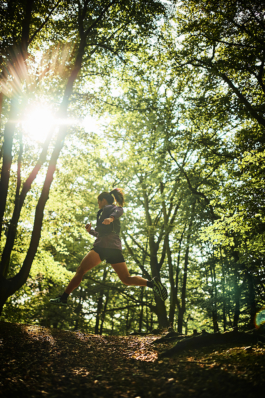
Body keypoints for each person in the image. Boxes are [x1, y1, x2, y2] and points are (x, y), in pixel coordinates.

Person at [50, 188, 168, 306]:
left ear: (104, 200)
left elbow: (119, 210)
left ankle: (64, 298)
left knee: (81, 270)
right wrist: (90, 231)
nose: (98, 204)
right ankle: (152, 283)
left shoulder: (110, 209)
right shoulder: (103, 213)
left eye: (99, 201)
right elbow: (101, 234)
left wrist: (111, 218)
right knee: (126, 279)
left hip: (102, 247)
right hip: (113, 247)